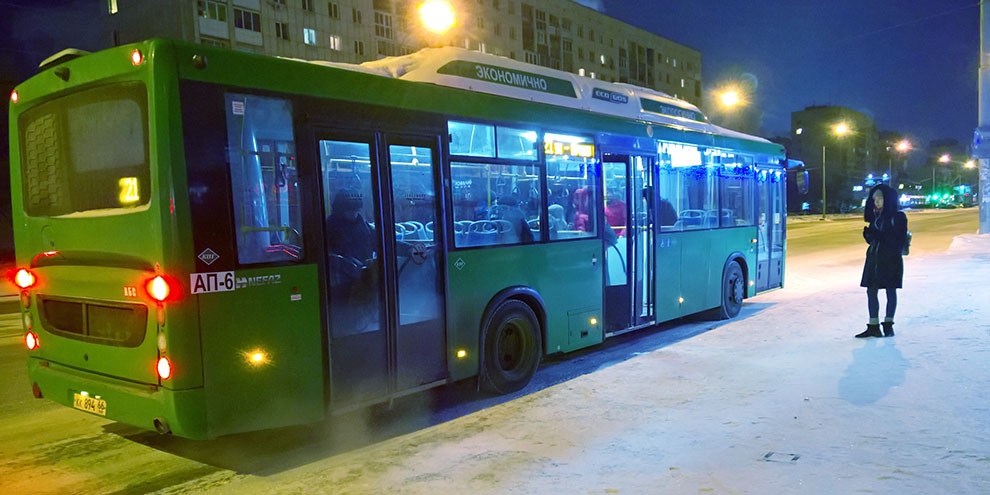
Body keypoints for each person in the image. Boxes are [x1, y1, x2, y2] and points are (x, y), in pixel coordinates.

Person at [856, 183, 908, 338]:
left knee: (890, 290)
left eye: (880, 198)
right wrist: (869, 237)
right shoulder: (875, 217)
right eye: (874, 198)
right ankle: (873, 326)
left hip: (890, 260)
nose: (876, 201)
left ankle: (888, 324)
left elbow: (898, 240)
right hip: (874, 259)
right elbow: (875, 240)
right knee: (871, 291)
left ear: (888, 199)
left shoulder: (898, 217)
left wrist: (880, 236)